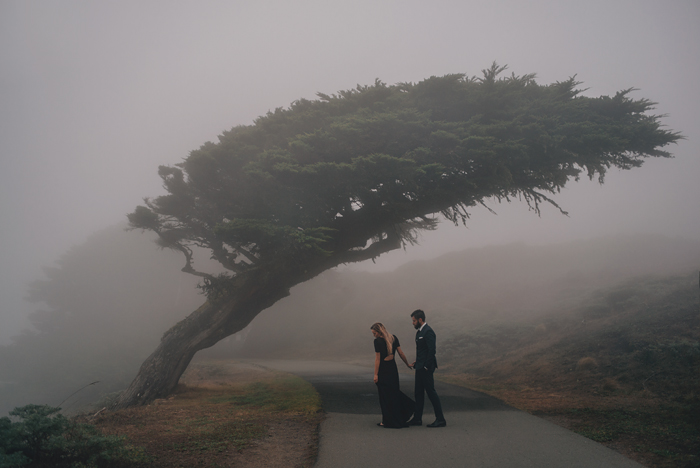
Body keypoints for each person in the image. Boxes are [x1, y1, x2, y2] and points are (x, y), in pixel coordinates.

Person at [371, 322, 415, 428]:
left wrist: (375, 374)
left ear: (378, 331)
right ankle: (400, 414)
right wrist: (407, 364)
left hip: (383, 371)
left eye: (374, 333)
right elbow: (401, 353)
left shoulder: (377, 341)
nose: (374, 335)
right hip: (393, 370)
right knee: (393, 394)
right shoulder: (393, 338)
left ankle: (387, 420)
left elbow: (378, 359)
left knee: (385, 396)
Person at [407, 309, 446, 427]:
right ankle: (417, 419)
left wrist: (425, 366)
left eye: (414, 321)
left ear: (420, 319)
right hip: (419, 367)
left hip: (426, 368)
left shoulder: (428, 332)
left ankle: (440, 419)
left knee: (431, 393)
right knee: (418, 393)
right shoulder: (419, 332)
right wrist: (417, 362)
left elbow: (431, 351)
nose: (412, 323)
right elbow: (422, 351)